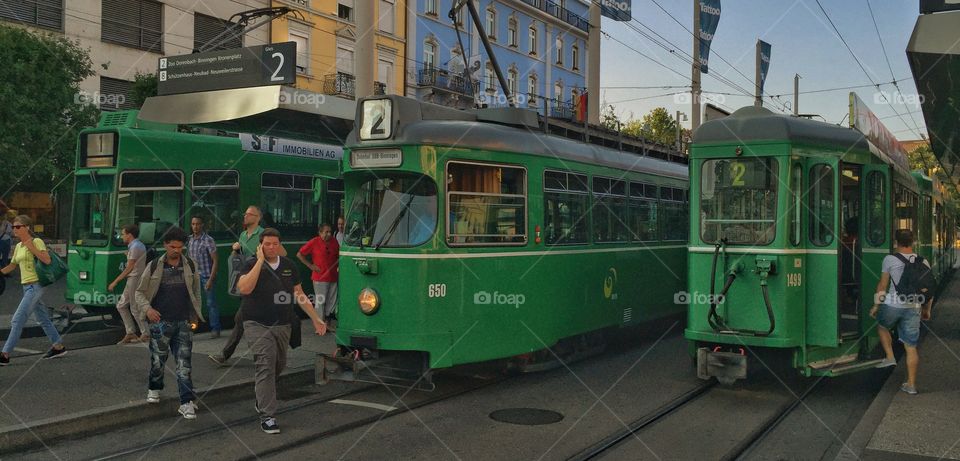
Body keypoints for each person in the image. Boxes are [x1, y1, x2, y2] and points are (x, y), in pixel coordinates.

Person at [236, 228, 326, 433]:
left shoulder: (288, 266)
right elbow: (244, 289)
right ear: (260, 246)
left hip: (283, 324)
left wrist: (316, 318)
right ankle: (268, 416)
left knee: (279, 364)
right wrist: (259, 262)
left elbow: (299, 293)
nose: (272, 247)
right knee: (265, 364)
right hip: (256, 324)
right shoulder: (250, 264)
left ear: (280, 245)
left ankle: (262, 398)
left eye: (275, 244)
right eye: (267, 244)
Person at [135, 226, 203, 419]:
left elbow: (196, 291)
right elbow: (139, 292)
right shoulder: (155, 265)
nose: (176, 250)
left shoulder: (190, 264)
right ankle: (155, 388)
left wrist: (195, 314)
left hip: (183, 321)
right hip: (160, 321)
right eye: (173, 246)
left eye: (180, 247)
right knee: (158, 360)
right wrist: (148, 309)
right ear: (165, 245)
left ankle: (186, 401)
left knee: (184, 363)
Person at [210, 205, 286, 365]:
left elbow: (283, 254)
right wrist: (235, 250)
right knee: (248, 320)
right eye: (245, 213)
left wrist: (265, 254)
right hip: (248, 283)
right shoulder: (243, 235)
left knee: (241, 318)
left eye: (249, 214)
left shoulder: (265, 234)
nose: (245, 216)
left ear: (258, 217)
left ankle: (226, 354)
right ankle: (266, 354)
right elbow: (240, 260)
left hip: (262, 285)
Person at [870, 229, 933, 395]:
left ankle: (889, 357)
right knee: (911, 347)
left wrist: (876, 305)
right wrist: (927, 309)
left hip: (893, 304)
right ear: (913, 242)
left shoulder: (890, 259)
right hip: (914, 306)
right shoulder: (923, 261)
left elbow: (882, 285)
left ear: (896, 241)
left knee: (882, 326)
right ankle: (911, 385)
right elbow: (929, 289)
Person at [0, 215, 67, 365]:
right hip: (26, 287)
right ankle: (58, 346)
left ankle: (5, 354)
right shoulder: (18, 246)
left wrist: (31, 247)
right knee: (42, 318)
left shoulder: (36, 241)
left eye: (18, 227)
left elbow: (47, 260)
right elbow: (12, 266)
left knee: (17, 320)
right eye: (14, 226)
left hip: (36, 286)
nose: (14, 229)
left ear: (27, 227)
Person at [108, 224, 149, 344]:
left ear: (129, 235)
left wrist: (115, 282)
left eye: (123, 234)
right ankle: (131, 332)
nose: (121, 236)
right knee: (121, 305)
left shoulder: (135, 246)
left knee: (134, 307)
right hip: (134, 278)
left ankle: (145, 333)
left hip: (134, 278)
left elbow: (129, 268)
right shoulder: (136, 245)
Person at [297, 223, 339, 329]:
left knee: (331, 301)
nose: (329, 234)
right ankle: (319, 325)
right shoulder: (314, 242)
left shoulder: (334, 241)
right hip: (320, 277)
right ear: (320, 233)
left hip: (333, 276)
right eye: (326, 232)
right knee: (321, 301)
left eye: (330, 232)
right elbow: (299, 254)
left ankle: (327, 323)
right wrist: (310, 266)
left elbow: (338, 255)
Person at [188, 216, 220, 337]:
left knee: (211, 303)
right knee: (193, 303)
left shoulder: (208, 240)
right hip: (194, 277)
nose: (195, 227)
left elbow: (215, 261)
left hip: (207, 276)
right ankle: (192, 328)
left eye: (197, 224)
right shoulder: (190, 240)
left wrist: (211, 279)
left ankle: (215, 328)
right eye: (193, 224)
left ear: (202, 225)